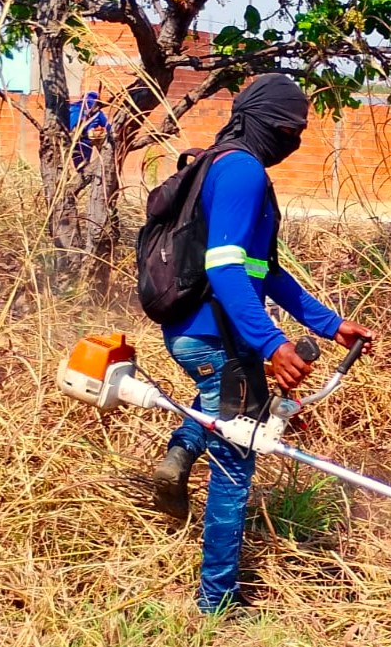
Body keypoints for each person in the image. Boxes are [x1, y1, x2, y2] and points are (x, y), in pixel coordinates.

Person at [150, 73, 374, 616]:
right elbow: (224, 269)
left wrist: (328, 325)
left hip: (195, 331)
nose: (295, 136)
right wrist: (272, 344)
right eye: (292, 125)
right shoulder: (244, 172)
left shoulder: (218, 162)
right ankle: (217, 604)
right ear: (267, 121)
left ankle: (179, 453)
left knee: (218, 412)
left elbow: (263, 270)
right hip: (215, 334)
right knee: (235, 461)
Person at [68, 91, 111, 171]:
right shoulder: (97, 113)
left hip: (69, 139)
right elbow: (108, 127)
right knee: (84, 164)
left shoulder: (72, 107)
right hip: (85, 141)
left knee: (76, 162)